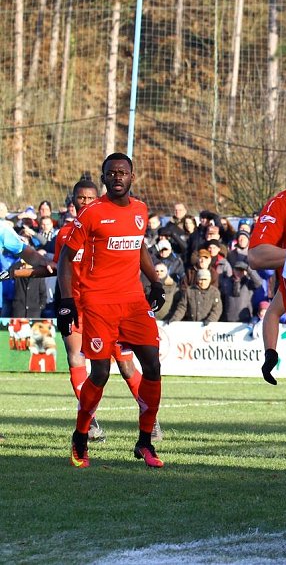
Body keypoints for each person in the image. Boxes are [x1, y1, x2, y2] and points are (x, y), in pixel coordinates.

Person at [57, 153, 167, 469]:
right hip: (98, 303)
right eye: (111, 172)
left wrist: (155, 281)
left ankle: (144, 442)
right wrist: (66, 302)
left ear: (132, 176)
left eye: (123, 172)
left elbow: (139, 246)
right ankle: (80, 435)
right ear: (104, 178)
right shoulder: (92, 214)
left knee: (152, 365)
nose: (118, 176)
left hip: (133, 302)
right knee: (101, 373)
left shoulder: (141, 210)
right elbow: (66, 257)